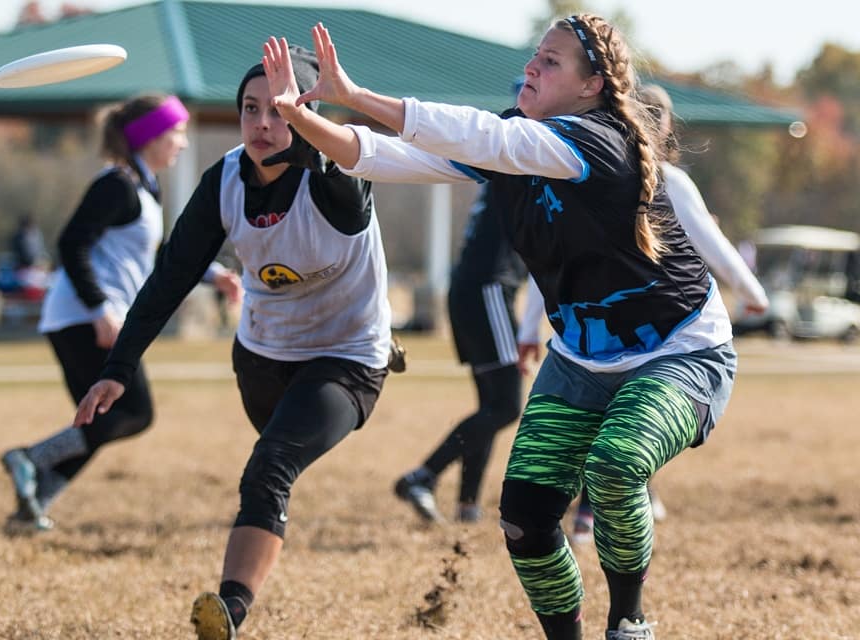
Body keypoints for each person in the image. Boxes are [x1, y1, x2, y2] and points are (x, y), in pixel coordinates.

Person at [262, 16, 739, 639]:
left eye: (551, 61)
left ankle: (629, 622)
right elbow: (378, 156)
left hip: (681, 352)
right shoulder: (517, 143)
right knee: (524, 518)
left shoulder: (599, 139)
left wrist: (355, 95)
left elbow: (481, 134)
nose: (532, 68)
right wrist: (298, 117)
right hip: (581, 360)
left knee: (616, 465)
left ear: (592, 85)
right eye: (535, 56)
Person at [71, 48, 394, 640]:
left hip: (346, 357)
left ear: (307, 114)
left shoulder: (336, 175)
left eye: (280, 109)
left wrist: (315, 133)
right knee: (271, 464)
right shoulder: (223, 180)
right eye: (250, 109)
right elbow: (170, 278)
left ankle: (230, 611)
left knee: (271, 466)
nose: (263, 124)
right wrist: (118, 367)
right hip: (262, 357)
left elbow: (344, 185)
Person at [515, 83, 771, 544]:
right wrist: (753, 292)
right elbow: (712, 245)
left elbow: (554, 261)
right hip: (638, 330)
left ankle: (601, 510)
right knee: (615, 429)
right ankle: (598, 513)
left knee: (623, 428)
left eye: (661, 115)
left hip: (632, 329)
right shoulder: (648, 177)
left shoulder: (601, 176)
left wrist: (528, 324)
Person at [1, 93, 242, 532]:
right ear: (150, 136)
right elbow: (71, 244)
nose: (184, 142)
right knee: (132, 412)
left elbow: (161, 254)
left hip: (92, 317)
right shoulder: (116, 184)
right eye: (177, 132)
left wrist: (213, 274)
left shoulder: (143, 187)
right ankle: (30, 459)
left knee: (99, 419)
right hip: (85, 318)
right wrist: (99, 309)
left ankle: (32, 503)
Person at [394, 180, 529, 524]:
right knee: (506, 405)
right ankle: (423, 475)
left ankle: (467, 505)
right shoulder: (522, 166)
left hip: (470, 289)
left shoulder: (502, 173)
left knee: (491, 405)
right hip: (489, 290)